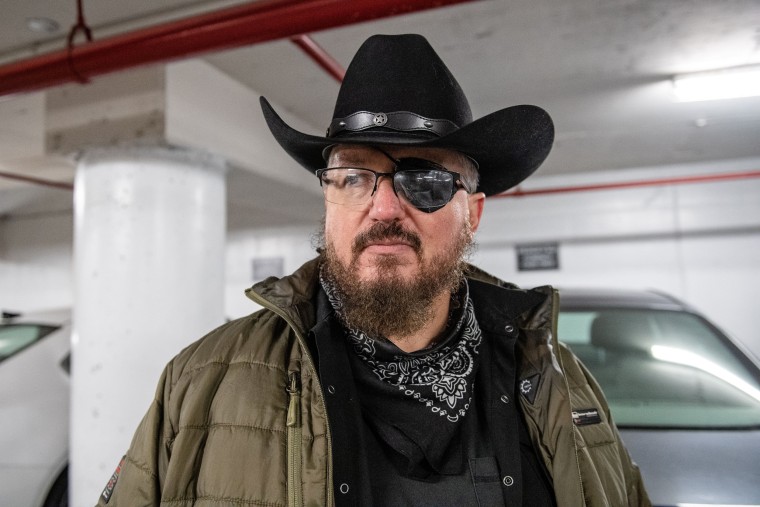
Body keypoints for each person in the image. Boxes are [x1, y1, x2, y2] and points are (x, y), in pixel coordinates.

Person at [96, 34, 650, 506]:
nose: (383, 210)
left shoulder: (558, 382)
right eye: (354, 177)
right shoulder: (199, 385)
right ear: (328, 199)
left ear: (472, 214)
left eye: (426, 182)